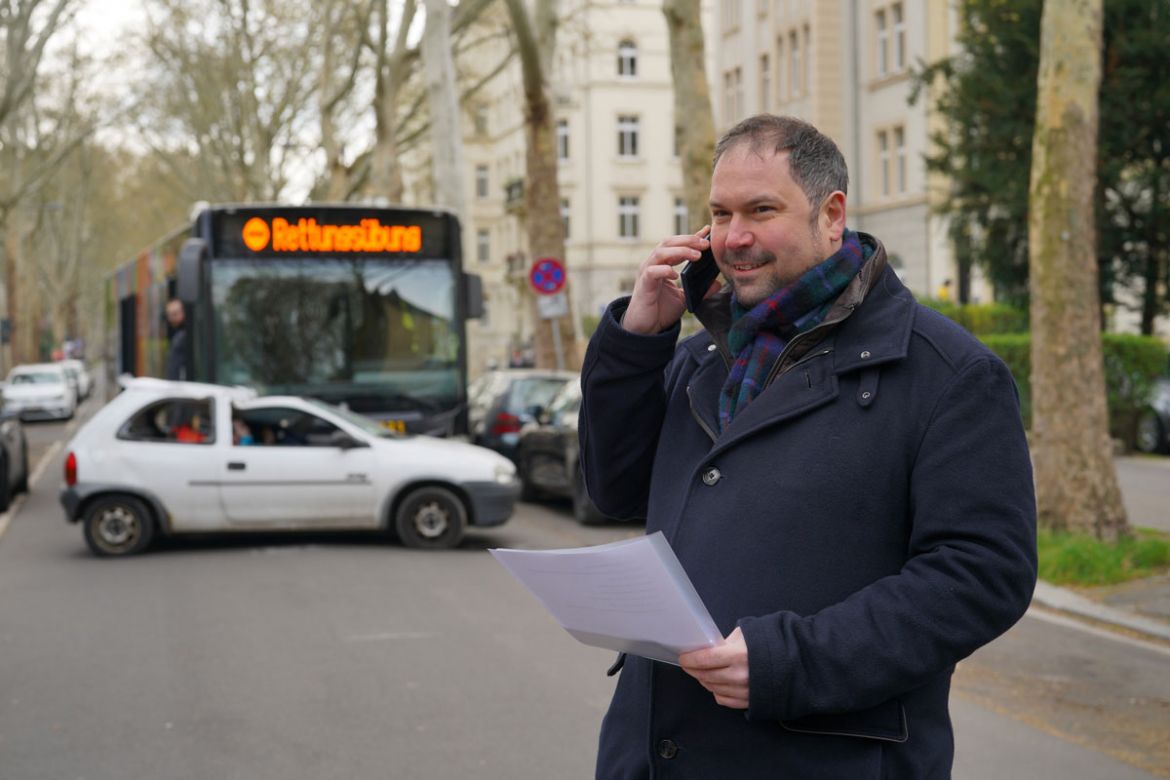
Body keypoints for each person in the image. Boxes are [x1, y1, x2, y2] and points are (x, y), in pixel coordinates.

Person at [579, 115, 1036, 778]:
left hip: (823, 757)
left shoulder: (950, 373)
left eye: (761, 210)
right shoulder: (705, 356)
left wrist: (788, 661)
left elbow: (981, 577)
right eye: (719, 213)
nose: (733, 237)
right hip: (655, 752)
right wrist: (636, 339)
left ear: (832, 215)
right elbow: (613, 489)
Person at [164, 298, 188, 380]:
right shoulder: (177, 334)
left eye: (174, 314)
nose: (171, 319)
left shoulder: (184, 335)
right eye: (169, 315)